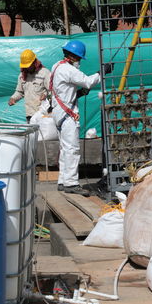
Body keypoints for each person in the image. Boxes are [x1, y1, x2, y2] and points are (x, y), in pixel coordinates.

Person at [49, 40, 111, 196]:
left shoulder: (56, 66)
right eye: (79, 59)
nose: (79, 63)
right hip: (68, 115)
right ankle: (71, 183)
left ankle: (63, 181)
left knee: (64, 149)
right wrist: (101, 73)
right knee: (72, 149)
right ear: (74, 56)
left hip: (59, 113)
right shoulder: (69, 70)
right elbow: (88, 82)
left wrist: (77, 93)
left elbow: (63, 90)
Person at [8, 49, 51, 123]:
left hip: (44, 114)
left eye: (29, 65)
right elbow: (20, 92)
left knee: (45, 134)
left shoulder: (45, 73)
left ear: (34, 62)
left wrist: (45, 95)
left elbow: (53, 91)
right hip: (30, 114)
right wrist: (13, 98)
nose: (27, 68)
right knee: (31, 134)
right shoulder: (22, 76)